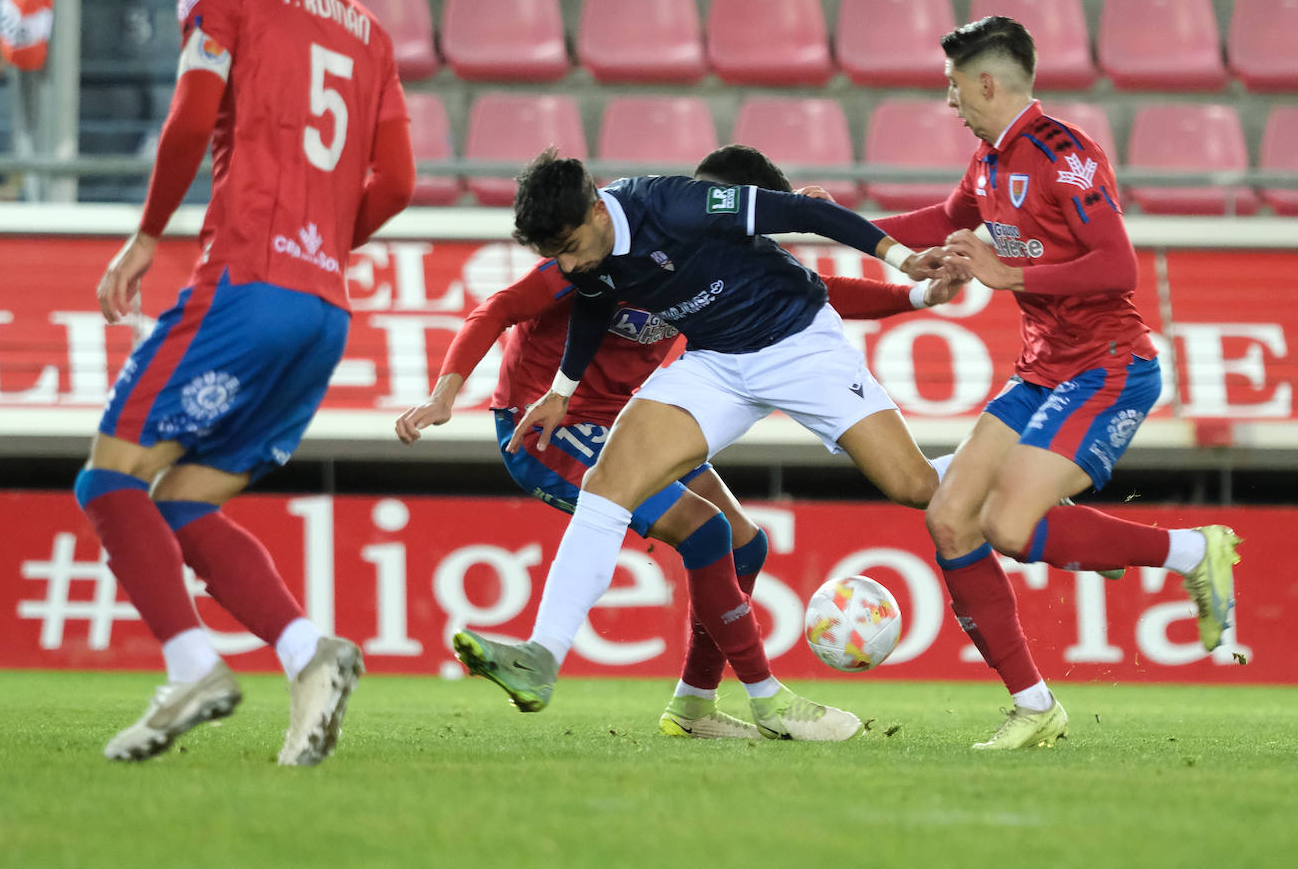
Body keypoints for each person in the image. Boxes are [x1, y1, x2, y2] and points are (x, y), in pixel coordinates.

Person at [397, 144, 963, 740]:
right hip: (712, 362)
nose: (563, 266)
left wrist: (906, 266)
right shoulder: (584, 262)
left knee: (914, 486)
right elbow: (590, 303)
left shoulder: (680, 207)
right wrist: (559, 391)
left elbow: (812, 224)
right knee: (609, 488)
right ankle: (548, 658)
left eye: (566, 250)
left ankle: (1004, 469)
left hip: (796, 350)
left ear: (594, 211)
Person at [874, 16, 1242, 749]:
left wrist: (1007, 273)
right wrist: (831, 222)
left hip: (1108, 365)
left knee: (1008, 527)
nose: (951, 101)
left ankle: (1194, 554)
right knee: (950, 517)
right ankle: (1036, 706)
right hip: (1041, 368)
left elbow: (1118, 266)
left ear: (986, 82)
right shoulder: (987, 160)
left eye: (954, 86)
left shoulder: (1065, 154)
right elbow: (946, 219)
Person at [76, 0, 415, 764]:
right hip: (324, 309)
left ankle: (192, 666)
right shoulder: (371, 31)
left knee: (109, 479)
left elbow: (194, 110)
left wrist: (148, 234)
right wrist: (322, 248)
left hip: (246, 283)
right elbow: (396, 183)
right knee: (186, 500)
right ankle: (307, 653)